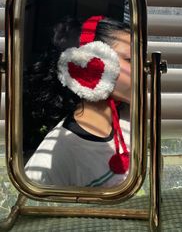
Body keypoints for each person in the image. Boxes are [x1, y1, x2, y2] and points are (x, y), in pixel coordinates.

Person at [24, 15, 131, 188]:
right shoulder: (55, 158)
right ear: (93, 64)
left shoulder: (132, 120)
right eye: (131, 60)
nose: (145, 68)